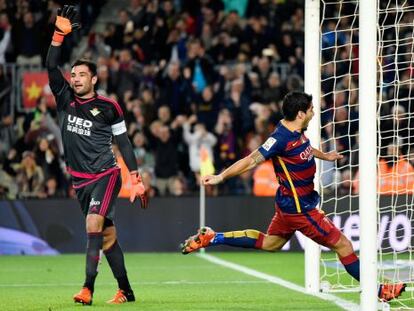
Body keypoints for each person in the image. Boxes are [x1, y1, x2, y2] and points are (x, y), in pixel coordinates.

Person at [181, 91, 406, 302]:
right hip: (301, 209)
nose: (313, 112)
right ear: (300, 114)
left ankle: (213, 237)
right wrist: (220, 177)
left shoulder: (294, 130)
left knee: (271, 243)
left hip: (290, 204)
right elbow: (250, 160)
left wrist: (324, 156)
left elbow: (305, 149)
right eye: (310, 109)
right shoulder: (279, 138)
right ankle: (379, 291)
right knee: (344, 246)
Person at [46, 5, 148, 305]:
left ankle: (87, 289)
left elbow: (124, 143)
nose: (75, 78)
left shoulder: (109, 107)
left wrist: (135, 178)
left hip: (106, 173)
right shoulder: (65, 99)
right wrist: (57, 36)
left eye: (81, 75)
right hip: (80, 181)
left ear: (94, 80)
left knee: (93, 224)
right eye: (73, 74)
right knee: (107, 238)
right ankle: (126, 291)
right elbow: (52, 66)